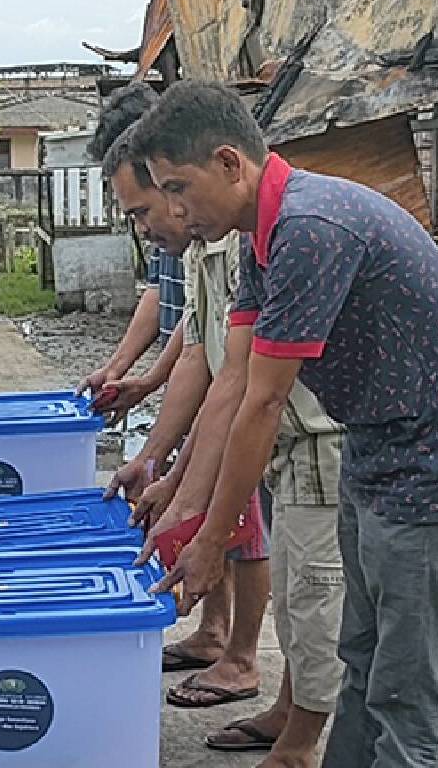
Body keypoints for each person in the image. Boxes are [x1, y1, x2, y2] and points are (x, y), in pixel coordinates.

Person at [136, 80, 438, 767]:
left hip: (436, 467)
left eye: (178, 187)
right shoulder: (261, 233)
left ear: (230, 163)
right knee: (362, 659)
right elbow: (232, 384)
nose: (171, 209)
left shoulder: (311, 228)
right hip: (376, 453)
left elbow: (264, 401)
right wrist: (184, 510)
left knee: (409, 692)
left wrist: (217, 537)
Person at [111, 124, 347, 759]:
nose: (165, 215)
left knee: (317, 600)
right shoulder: (231, 238)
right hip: (279, 439)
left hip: (320, 439)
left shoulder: (289, 229)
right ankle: (289, 714)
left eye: (163, 197)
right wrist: (169, 472)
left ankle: (298, 742)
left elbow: (254, 394)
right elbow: (213, 365)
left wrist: (203, 525)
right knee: (300, 605)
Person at [77, 84, 186, 424]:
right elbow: (158, 291)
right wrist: (115, 368)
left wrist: (152, 379)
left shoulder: (211, 232)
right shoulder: (166, 231)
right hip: (185, 390)